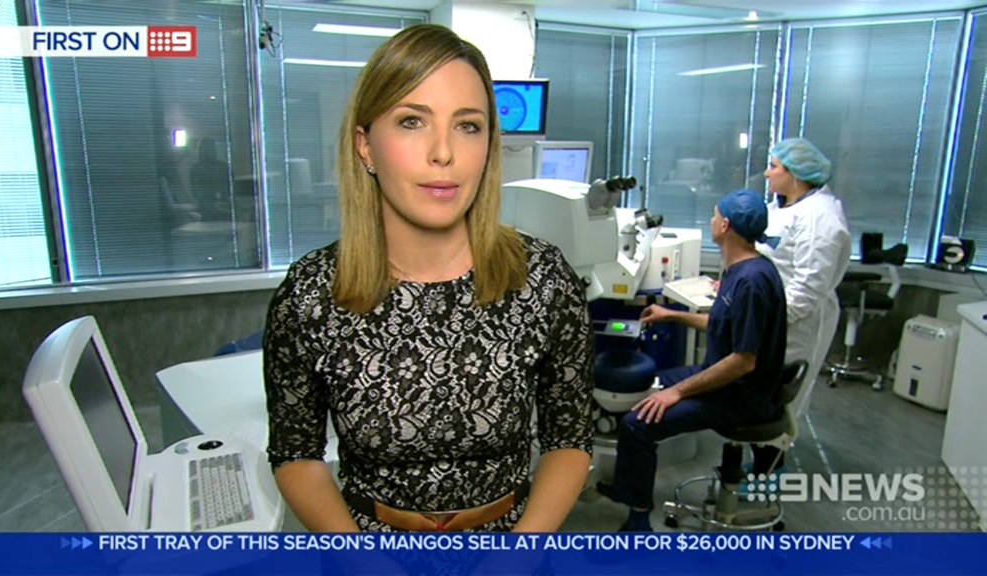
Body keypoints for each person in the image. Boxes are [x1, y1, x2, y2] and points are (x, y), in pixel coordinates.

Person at [263, 24, 594, 533]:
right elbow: (295, 453)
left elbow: (568, 439)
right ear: (365, 146)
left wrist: (519, 554)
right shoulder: (310, 294)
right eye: (412, 121)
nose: (443, 152)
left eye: (468, 126)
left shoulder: (543, 280)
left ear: (489, 146)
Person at [597, 189, 787, 532]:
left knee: (637, 424)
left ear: (725, 226)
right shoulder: (743, 268)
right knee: (647, 386)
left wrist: (677, 392)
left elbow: (743, 361)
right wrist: (672, 315)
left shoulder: (752, 281)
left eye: (715, 215)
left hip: (741, 396)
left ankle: (638, 520)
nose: (711, 220)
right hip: (724, 380)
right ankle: (628, 486)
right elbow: (722, 324)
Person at [758, 137, 851, 422]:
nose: (767, 173)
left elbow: (807, 289)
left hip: (796, 324)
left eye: (773, 166)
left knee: (781, 398)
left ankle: (773, 448)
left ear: (795, 173)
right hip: (773, 316)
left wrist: (766, 322)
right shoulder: (780, 207)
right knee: (760, 391)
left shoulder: (819, 218)